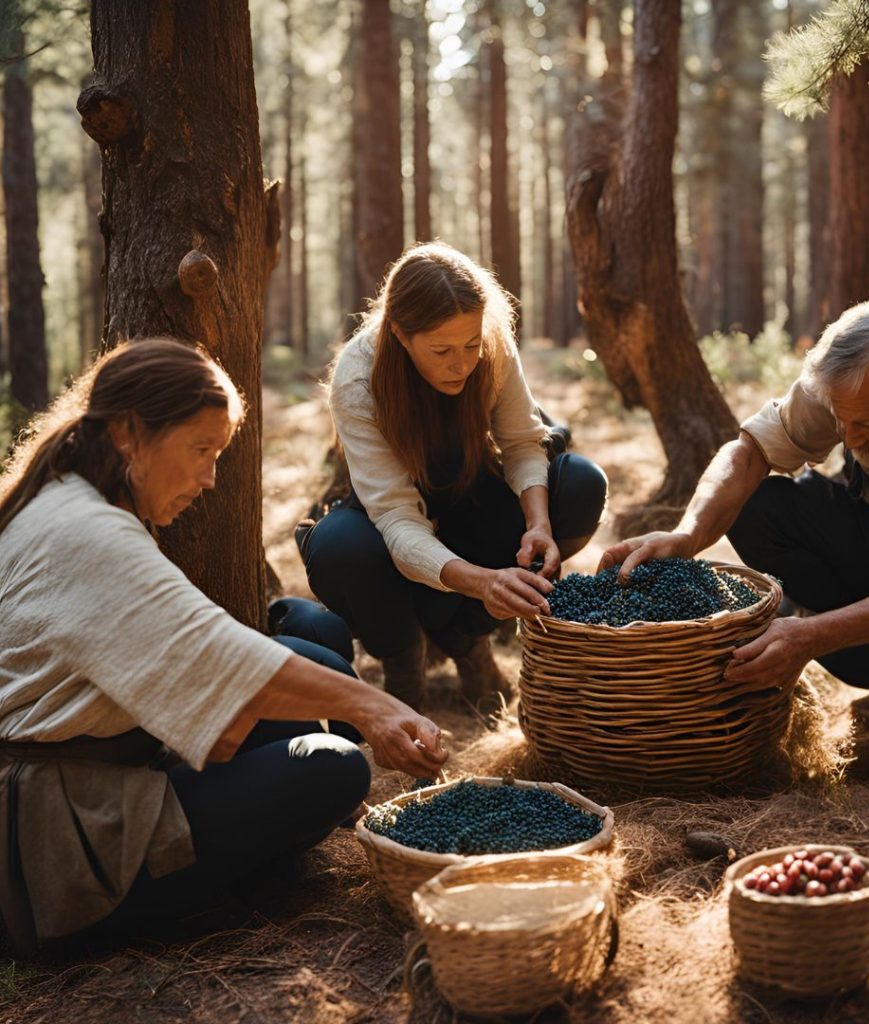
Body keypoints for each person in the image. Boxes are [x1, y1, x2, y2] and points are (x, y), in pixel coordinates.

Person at [0, 338, 447, 957]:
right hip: (62, 844)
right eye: (201, 450)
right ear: (131, 434)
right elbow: (218, 655)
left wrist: (354, 701)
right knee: (336, 768)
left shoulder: (67, 496)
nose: (211, 478)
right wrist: (375, 707)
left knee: (312, 657)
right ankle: (196, 890)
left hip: (93, 777)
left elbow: (213, 660)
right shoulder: (90, 533)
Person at [602, 300, 869, 762]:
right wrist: (687, 535)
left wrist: (808, 637)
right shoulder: (849, 387)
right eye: (841, 421)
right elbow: (746, 454)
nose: (848, 437)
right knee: (757, 505)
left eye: (865, 424)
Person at [297, 242, 608, 710]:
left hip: (468, 494)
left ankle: (468, 641)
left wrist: (538, 525)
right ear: (400, 333)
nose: (461, 363)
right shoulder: (358, 377)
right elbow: (397, 517)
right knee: (338, 548)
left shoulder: (492, 343)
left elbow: (524, 442)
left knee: (580, 482)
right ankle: (404, 659)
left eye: (470, 345)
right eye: (441, 350)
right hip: (388, 525)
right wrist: (482, 583)